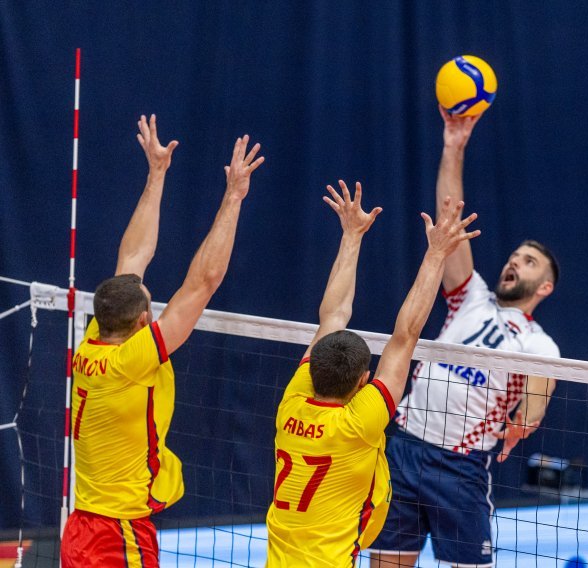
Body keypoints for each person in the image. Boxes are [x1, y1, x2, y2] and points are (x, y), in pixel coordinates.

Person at [60, 115, 265, 567]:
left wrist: (157, 173)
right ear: (140, 324)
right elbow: (203, 283)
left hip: (82, 527)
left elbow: (132, 257)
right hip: (118, 534)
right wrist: (233, 196)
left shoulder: (93, 340)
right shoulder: (132, 359)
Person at [369, 107, 561, 567]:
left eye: (529, 262)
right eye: (514, 256)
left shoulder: (540, 345)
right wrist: (453, 147)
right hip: (405, 447)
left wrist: (524, 423)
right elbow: (448, 219)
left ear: (546, 287)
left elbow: (536, 399)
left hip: (461, 466)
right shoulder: (470, 295)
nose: (515, 262)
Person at [266, 180, 479, 567]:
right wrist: (436, 254)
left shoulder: (292, 402)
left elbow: (333, 315)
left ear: (312, 370)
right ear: (363, 382)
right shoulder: (357, 424)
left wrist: (351, 236)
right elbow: (405, 336)